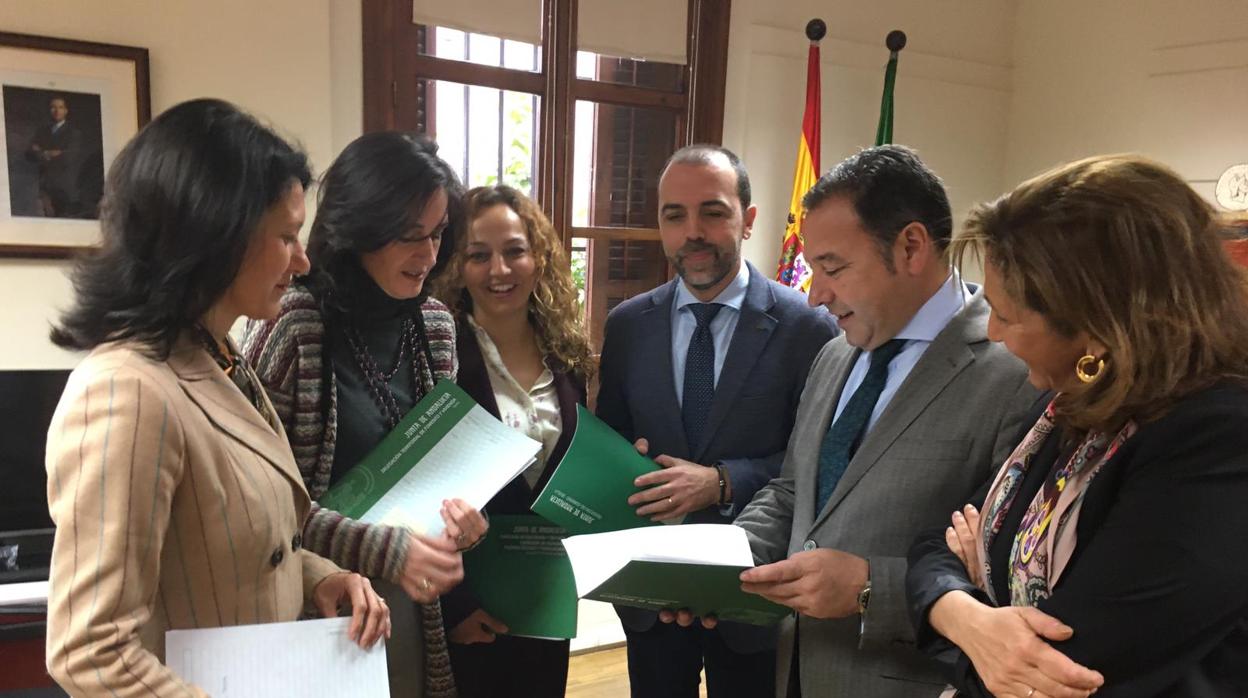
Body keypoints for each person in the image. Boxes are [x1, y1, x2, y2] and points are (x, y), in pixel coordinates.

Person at [43, 98, 390, 697]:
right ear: (217, 237)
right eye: (286, 237)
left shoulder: (218, 357)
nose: (303, 261)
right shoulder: (127, 392)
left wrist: (320, 577)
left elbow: (241, 545)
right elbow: (90, 652)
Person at [907, 154, 1248, 698]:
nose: (992, 332)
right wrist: (963, 615)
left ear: (1097, 326)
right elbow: (933, 546)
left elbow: (1065, 668)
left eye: (1009, 315)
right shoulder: (1073, 406)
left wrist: (975, 610)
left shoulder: (1218, 439)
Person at [727, 144, 1038, 697]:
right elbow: (794, 492)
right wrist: (721, 567)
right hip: (795, 671)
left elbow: (1013, 572)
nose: (816, 295)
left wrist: (871, 588)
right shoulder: (834, 353)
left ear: (911, 246)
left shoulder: (1017, 372)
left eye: (833, 268)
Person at [242, 132, 487, 698]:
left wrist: (462, 522)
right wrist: (386, 551)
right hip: (313, 604)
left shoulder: (436, 326)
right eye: (409, 238)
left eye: (439, 234)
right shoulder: (293, 325)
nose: (429, 256)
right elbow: (264, 509)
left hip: (407, 604)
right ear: (357, 232)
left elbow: (438, 476)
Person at [595, 144, 839, 698]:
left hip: (755, 594)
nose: (692, 233)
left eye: (713, 211)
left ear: (748, 220)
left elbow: (821, 462)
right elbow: (611, 439)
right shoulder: (628, 326)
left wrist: (722, 481)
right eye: (674, 215)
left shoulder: (809, 329)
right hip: (652, 591)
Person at [433, 184, 595, 697]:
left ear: (539, 257)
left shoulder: (567, 359)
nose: (499, 270)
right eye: (479, 255)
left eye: (515, 251)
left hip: (544, 596)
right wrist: (452, 606)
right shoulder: (440, 357)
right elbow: (419, 490)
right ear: (457, 266)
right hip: (466, 600)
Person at [26, 95, 85, 218]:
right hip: (43, 184)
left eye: (60, 107)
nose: (57, 111)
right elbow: (30, 154)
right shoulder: (42, 131)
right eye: (53, 107)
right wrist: (50, 153)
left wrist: (42, 152)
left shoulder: (73, 133)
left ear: (66, 110)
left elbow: (69, 157)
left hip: (63, 187)